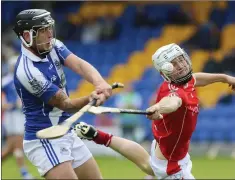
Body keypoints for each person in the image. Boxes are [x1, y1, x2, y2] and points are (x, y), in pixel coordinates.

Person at [74, 43, 235, 179]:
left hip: (165, 149)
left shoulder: (182, 81)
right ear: (165, 72)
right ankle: (98, 136)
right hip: (173, 165)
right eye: (174, 64)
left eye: (181, 60)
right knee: (150, 167)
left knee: (148, 165)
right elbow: (172, 102)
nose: (181, 65)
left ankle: (97, 135)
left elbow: (196, 78)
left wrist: (224, 78)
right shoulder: (177, 93)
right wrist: (159, 107)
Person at [13, 9, 112, 179]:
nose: (49, 33)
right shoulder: (27, 71)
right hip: (44, 138)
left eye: (49, 28)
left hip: (66, 131)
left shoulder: (53, 45)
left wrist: (100, 83)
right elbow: (65, 104)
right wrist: (90, 99)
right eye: (43, 30)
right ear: (27, 36)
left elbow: (79, 65)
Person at [2, 73, 34, 180]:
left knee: (10, 148)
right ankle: (25, 174)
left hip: (17, 115)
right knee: (18, 145)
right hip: (13, 115)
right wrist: (9, 105)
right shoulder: (6, 81)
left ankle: (25, 173)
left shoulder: (23, 78)